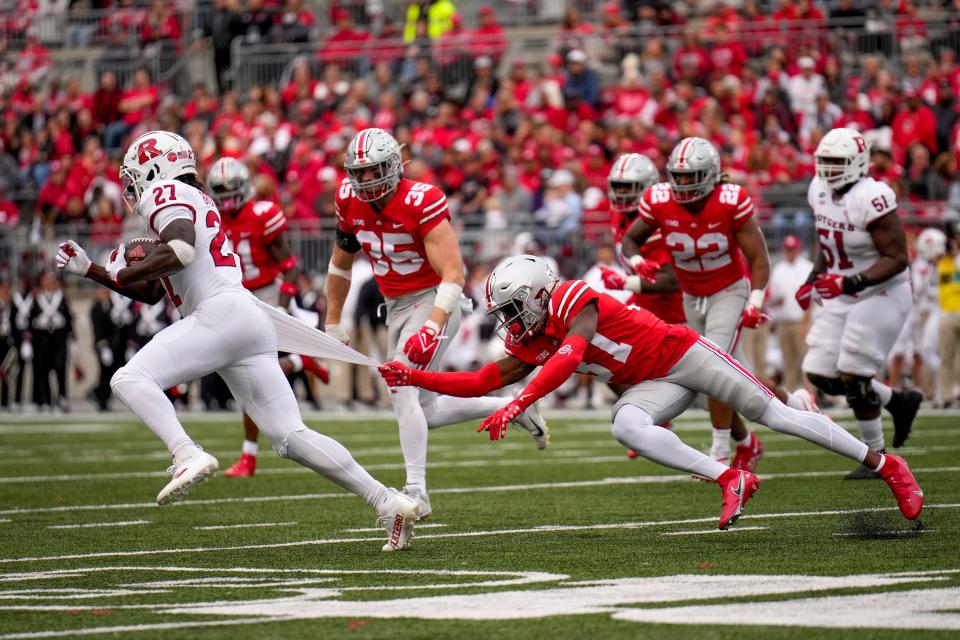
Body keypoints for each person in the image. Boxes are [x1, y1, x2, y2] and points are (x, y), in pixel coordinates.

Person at [56, 131, 419, 551]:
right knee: (290, 437)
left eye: (136, 176)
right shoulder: (195, 200)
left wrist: (120, 272)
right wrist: (92, 271)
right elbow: (157, 289)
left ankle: (185, 452)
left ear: (155, 168)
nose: (133, 187)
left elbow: (181, 250)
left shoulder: (165, 191)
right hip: (244, 317)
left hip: (220, 314)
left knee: (128, 379)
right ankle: (387, 500)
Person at [379, 256, 924, 529]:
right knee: (626, 425)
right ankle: (732, 477)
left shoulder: (573, 296)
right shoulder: (536, 329)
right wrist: (414, 377)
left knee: (773, 415)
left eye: (514, 308)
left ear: (539, 293)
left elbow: (571, 355)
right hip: (651, 383)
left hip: (685, 354)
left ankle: (883, 462)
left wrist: (521, 403)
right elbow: (483, 380)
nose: (511, 321)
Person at [327, 127, 548, 518]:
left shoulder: (420, 199)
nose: (365, 180)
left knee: (399, 385)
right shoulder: (348, 199)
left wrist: (433, 324)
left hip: (433, 299)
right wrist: (332, 318)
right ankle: (512, 406)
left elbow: (453, 273)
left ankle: (417, 491)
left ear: (394, 166)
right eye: (358, 172)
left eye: (373, 170)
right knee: (422, 411)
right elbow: (340, 265)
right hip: (395, 305)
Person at [618, 138, 816, 472]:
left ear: (709, 175)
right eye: (677, 176)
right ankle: (795, 401)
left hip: (728, 291)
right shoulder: (659, 199)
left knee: (709, 365)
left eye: (689, 176)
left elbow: (758, 256)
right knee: (737, 374)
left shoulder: (729, 200)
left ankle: (721, 450)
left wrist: (754, 299)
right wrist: (637, 261)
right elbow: (630, 239)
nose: (681, 184)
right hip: (691, 296)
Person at [795, 127, 923, 479]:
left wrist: (850, 280)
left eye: (837, 162)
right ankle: (899, 401)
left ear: (858, 163)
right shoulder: (818, 190)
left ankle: (876, 455)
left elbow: (897, 257)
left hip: (881, 290)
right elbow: (827, 243)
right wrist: (813, 277)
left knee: (853, 371)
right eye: (825, 162)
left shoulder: (872, 196)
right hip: (842, 288)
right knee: (822, 373)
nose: (829, 169)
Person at [207, 157, 330, 478]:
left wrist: (284, 305)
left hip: (269, 294)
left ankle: (249, 457)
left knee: (255, 374)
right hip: (237, 297)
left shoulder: (263, 214)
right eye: (218, 190)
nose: (225, 196)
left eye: (229, 188)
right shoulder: (211, 219)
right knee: (245, 376)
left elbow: (288, 265)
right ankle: (303, 363)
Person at [767, 235, 813, 390]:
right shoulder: (779, 269)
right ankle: (792, 398)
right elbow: (772, 297)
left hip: (802, 321)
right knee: (787, 362)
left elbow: (812, 298)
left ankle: (810, 395)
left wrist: (807, 321)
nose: (790, 252)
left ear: (798, 249)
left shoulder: (807, 267)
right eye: (787, 249)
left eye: (792, 249)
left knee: (807, 361)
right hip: (783, 322)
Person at [30, 272, 73, 412]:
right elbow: (31, 320)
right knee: (43, 371)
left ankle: (62, 398)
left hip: (59, 340)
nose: (50, 283)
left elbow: (69, 319)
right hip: (42, 340)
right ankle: (45, 400)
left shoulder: (61, 298)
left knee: (60, 369)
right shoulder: (36, 299)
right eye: (47, 281)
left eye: (52, 281)